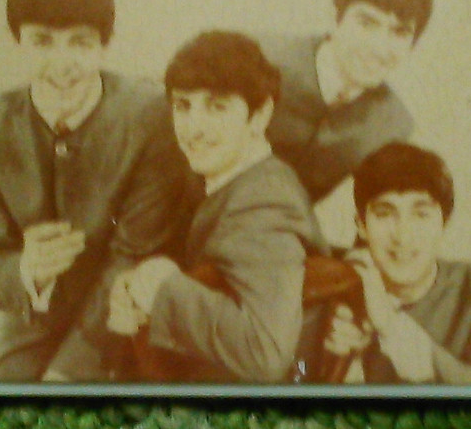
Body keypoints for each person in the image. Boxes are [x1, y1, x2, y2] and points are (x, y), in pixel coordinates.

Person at [0, 0, 191, 381]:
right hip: (34, 320)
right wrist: (28, 271)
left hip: (125, 314)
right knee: (6, 391)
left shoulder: (151, 115)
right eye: (43, 42)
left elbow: (134, 253)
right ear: (17, 41)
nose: (62, 62)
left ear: (104, 44)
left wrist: (68, 372)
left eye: (80, 43)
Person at [106, 31, 329, 382]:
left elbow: (264, 353)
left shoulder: (263, 205)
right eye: (183, 106)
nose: (194, 128)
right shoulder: (236, 180)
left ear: (260, 115)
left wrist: (161, 290)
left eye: (217, 107)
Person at [262, 0, 433, 249]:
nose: (379, 47)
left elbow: (375, 218)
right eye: (367, 23)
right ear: (334, 17)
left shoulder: (391, 123)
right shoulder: (261, 61)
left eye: (399, 32)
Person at [325, 143, 471, 384]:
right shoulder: (338, 280)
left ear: (443, 222)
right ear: (361, 226)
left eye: (421, 214)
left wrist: (390, 324)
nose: (403, 236)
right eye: (384, 214)